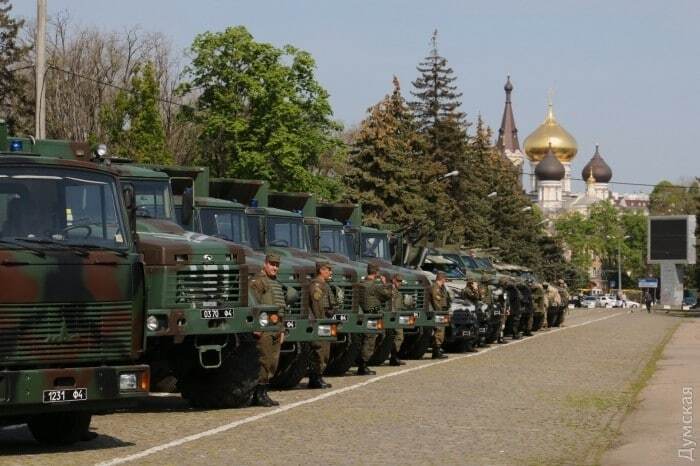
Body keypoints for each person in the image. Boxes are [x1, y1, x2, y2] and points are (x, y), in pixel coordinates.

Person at [249, 253, 285, 407]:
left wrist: (282, 329)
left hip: (275, 327)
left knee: (272, 361)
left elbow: (281, 309)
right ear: (265, 263)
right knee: (264, 359)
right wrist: (257, 327)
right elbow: (253, 305)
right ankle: (258, 394)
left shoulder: (275, 283)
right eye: (272, 264)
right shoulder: (258, 282)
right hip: (264, 328)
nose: (275, 267)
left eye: (277, 265)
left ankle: (263, 392)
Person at [357, 263, 392, 375]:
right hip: (373, 314)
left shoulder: (360, 284)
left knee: (365, 339)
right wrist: (385, 283)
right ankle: (363, 365)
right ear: (377, 273)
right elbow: (388, 295)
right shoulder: (374, 286)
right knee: (371, 339)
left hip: (363, 314)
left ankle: (362, 362)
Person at [307, 261, 335, 389]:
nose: (330, 272)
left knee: (324, 351)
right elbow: (317, 307)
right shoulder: (317, 285)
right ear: (321, 270)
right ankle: (315, 378)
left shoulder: (324, 284)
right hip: (320, 323)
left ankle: (318, 377)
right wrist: (321, 323)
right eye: (328, 269)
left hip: (325, 322)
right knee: (320, 350)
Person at [429, 271, 450, 359]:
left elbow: (446, 299)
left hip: (442, 312)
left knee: (441, 331)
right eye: (445, 279)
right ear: (441, 279)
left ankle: (437, 350)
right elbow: (436, 301)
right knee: (439, 331)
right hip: (438, 312)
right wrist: (440, 312)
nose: (445, 281)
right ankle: (436, 352)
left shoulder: (442, 287)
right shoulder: (435, 287)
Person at [390, 273, 406, 366]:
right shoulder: (391, 290)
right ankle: (394, 357)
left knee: (399, 336)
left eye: (400, 281)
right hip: (393, 316)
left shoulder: (397, 291)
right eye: (398, 281)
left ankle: (394, 356)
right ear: (393, 280)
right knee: (399, 336)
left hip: (397, 316)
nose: (399, 283)